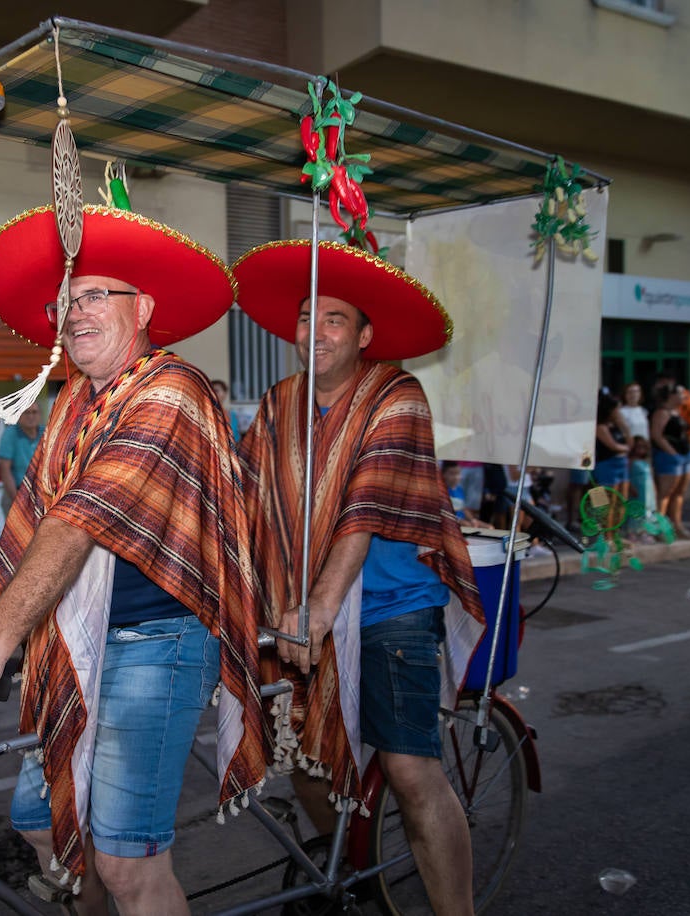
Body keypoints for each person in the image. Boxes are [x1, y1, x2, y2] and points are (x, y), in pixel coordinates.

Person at [0, 202, 268, 914]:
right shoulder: (75, 401)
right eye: (65, 302)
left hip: (158, 642)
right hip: (76, 641)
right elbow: (27, 529)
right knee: (42, 824)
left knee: (127, 864)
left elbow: (77, 521)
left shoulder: (172, 389)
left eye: (94, 296)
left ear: (144, 308)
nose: (74, 313)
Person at [233, 239, 485, 916]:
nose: (315, 332)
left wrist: (318, 607)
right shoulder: (279, 402)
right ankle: (348, 871)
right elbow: (242, 493)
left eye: (335, 319)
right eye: (306, 317)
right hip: (298, 612)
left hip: (389, 608)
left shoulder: (398, 394)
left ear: (365, 336)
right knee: (304, 763)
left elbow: (364, 507)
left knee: (409, 769)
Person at [650, 382, 690, 539]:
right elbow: (657, 435)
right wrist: (672, 452)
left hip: (684, 455)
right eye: (681, 393)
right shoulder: (662, 413)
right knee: (665, 493)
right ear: (671, 395)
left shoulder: (677, 411)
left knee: (679, 492)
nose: (684, 397)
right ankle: (659, 527)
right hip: (669, 457)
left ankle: (677, 524)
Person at [0, 402, 43, 516]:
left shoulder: (46, 432)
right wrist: (18, 501)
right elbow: (4, 469)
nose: (31, 416)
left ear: (39, 415)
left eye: (34, 412)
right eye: (26, 413)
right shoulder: (10, 434)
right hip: (16, 492)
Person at [594, 391, 631, 500]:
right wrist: (626, 448)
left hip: (621, 463)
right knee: (604, 502)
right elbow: (613, 446)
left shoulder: (616, 425)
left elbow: (630, 443)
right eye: (617, 409)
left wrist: (625, 427)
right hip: (605, 464)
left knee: (622, 500)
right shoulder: (600, 426)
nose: (620, 412)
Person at [442, 461, 490, 529]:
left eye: (458, 473)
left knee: (489, 527)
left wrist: (473, 520)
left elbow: (463, 508)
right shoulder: (443, 490)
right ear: (443, 474)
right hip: (451, 522)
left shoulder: (460, 489)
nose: (456, 477)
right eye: (452, 474)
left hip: (463, 521)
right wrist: (461, 521)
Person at [211, 378, 241, 442]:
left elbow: (236, 438)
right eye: (210, 390)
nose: (213, 393)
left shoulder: (232, 415)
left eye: (216, 390)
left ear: (225, 393)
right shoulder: (206, 413)